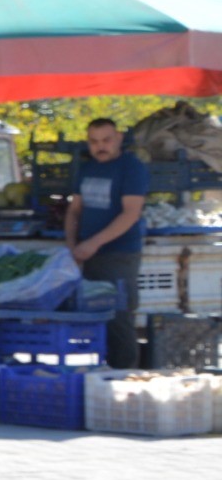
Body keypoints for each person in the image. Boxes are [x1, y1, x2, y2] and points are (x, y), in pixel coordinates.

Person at [68, 115, 150, 366]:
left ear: (119, 139)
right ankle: (100, 377)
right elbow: (74, 210)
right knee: (93, 318)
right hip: (88, 256)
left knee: (119, 320)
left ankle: (124, 379)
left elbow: (131, 213)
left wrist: (93, 243)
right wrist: (72, 246)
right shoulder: (87, 168)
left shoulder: (131, 167)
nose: (100, 146)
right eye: (94, 141)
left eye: (106, 140)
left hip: (119, 255)